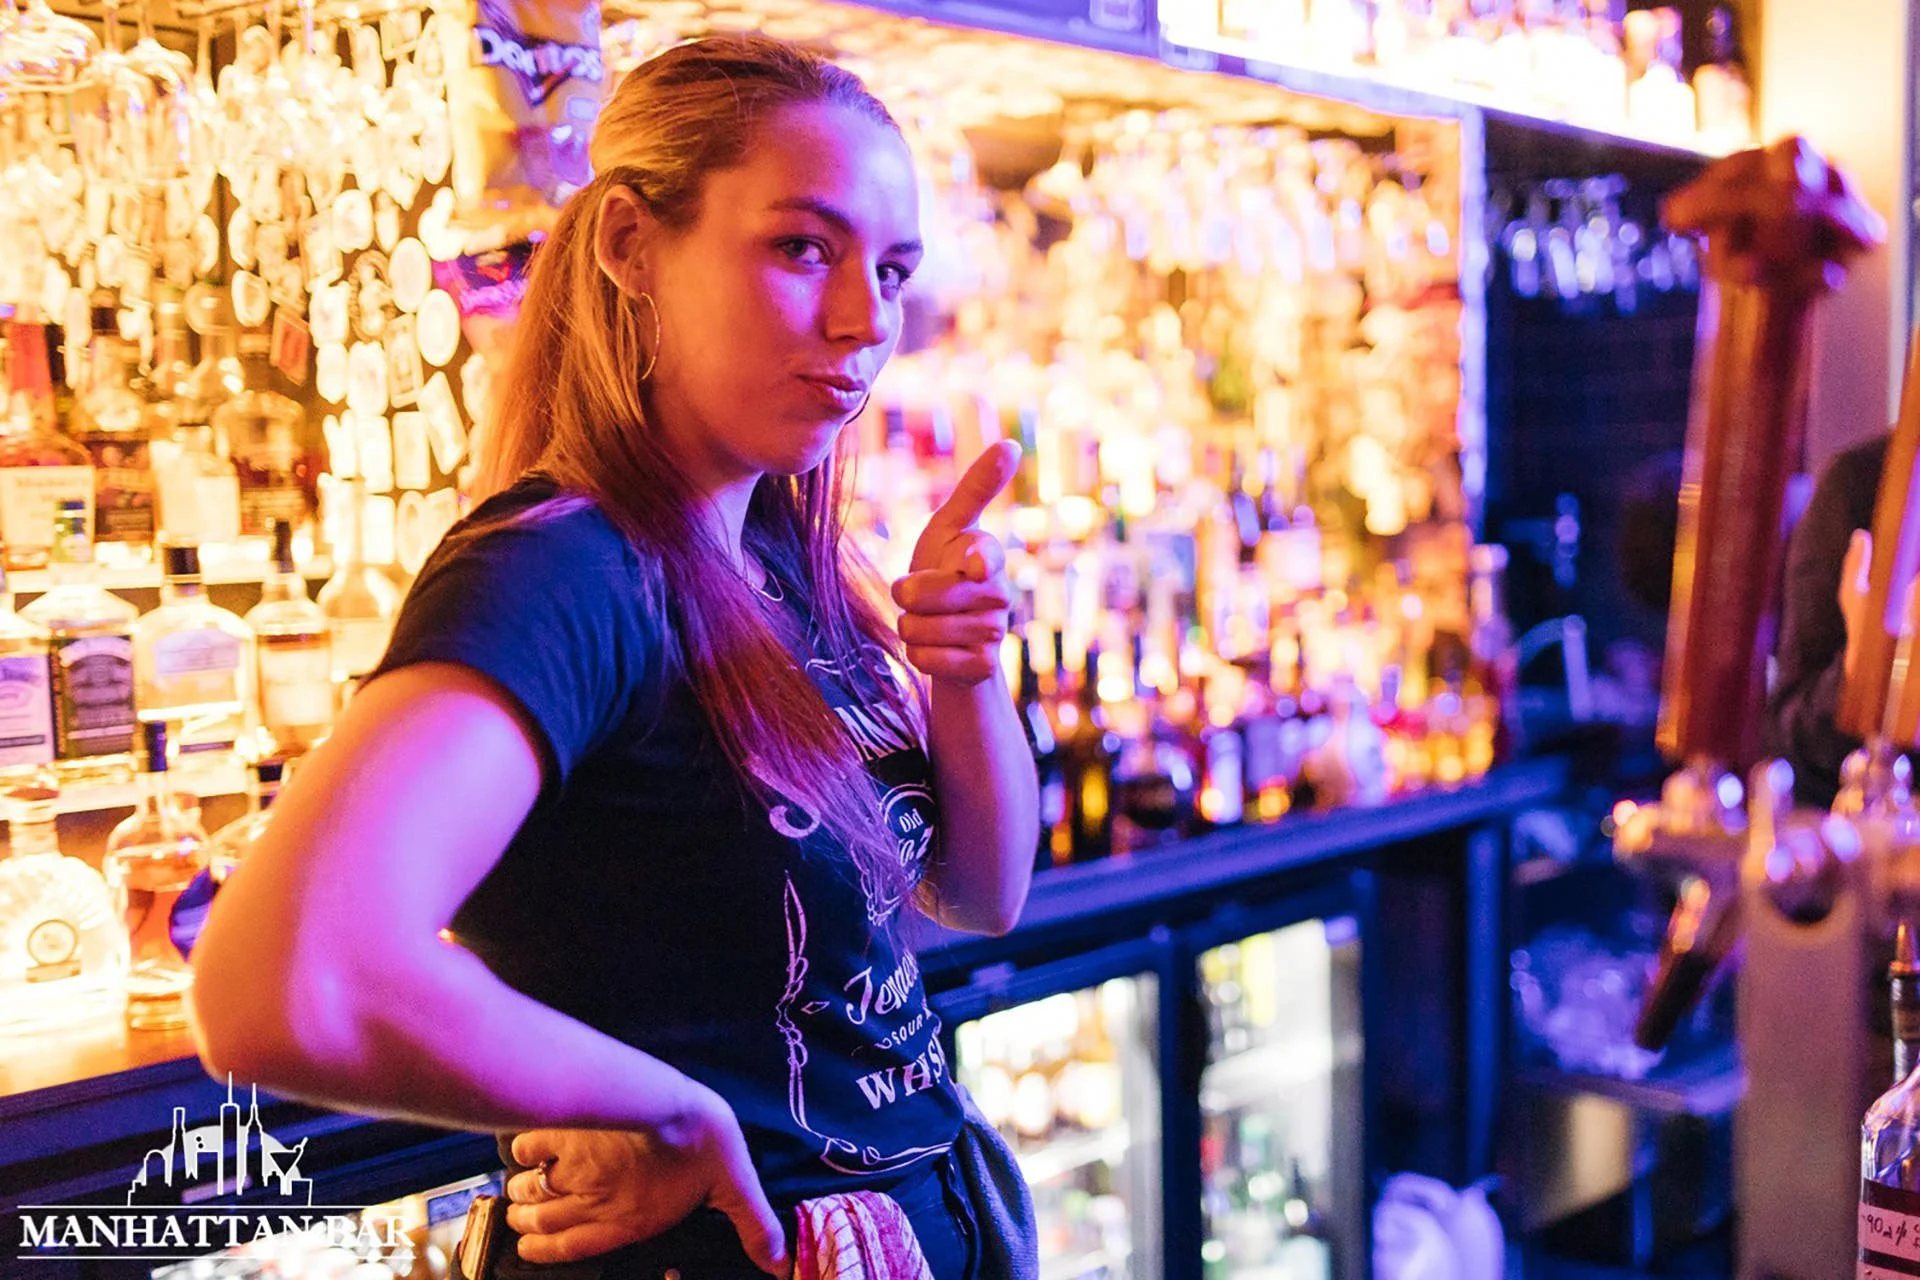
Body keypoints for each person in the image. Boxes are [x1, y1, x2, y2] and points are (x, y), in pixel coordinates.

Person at [189, 35, 1039, 1280]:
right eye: (805, 248)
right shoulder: (566, 565)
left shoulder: (779, 556)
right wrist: (669, 1108)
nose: (866, 319)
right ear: (632, 247)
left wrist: (962, 677)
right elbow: (280, 980)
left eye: (893, 268)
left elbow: (980, 893)